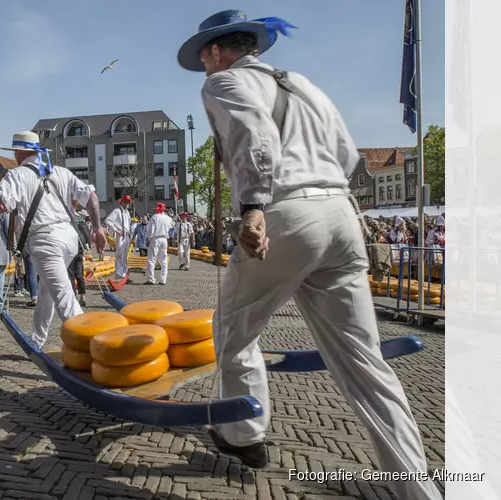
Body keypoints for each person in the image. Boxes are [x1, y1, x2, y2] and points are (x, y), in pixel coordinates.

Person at [178, 10, 441, 500]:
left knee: (232, 328)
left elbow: (251, 136)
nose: (206, 68)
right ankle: (417, 489)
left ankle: (245, 434)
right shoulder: (303, 84)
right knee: (366, 365)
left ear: (216, 51)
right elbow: (347, 155)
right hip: (342, 215)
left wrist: (253, 206)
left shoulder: (225, 83)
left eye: (204, 59)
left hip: (287, 213)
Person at [0, 131, 106, 347]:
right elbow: (91, 197)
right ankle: (37, 340)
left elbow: (1, 205)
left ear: (20, 153)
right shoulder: (60, 172)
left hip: (44, 241)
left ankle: (98, 346)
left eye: (15, 153)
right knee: (46, 292)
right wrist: (97, 228)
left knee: (64, 298)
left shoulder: (16, 175)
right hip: (69, 238)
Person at [105, 195, 133, 281]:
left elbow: (129, 224)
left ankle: (124, 273)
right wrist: (115, 230)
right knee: (119, 254)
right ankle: (119, 273)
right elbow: (108, 220)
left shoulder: (127, 212)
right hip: (120, 235)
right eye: (125, 202)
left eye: (128, 203)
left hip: (126, 235)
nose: (127, 204)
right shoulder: (117, 211)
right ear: (122, 202)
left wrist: (130, 235)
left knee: (124, 255)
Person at [145, 203, 173, 285]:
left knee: (151, 259)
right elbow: (171, 230)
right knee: (164, 260)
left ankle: (151, 279)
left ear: (158, 209)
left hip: (156, 238)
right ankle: (163, 279)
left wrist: (148, 238)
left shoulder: (155, 217)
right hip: (164, 239)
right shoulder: (168, 218)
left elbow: (150, 230)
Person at [68, 208, 89, 307]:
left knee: (77, 275)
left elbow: (84, 229)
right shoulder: (67, 216)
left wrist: (86, 243)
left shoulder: (77, 218)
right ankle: (75, 296)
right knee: (73, 275)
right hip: (70, 249)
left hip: (77, 249)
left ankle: (82, 296)